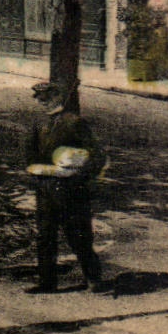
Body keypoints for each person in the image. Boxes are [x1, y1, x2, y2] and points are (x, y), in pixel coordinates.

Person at [25, 80, 108, 292]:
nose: (42, 103)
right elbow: (29, 155)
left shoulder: (74, 122)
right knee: (45, 236)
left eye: (46, 99)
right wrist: (35, 177)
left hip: (72, 191)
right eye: (39, 100)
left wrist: (78, 177)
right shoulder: (37, 123)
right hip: (46, 189)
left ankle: (94, 279)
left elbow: (97, 155)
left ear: (57, 98)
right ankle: (46, 282)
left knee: (78, 235)